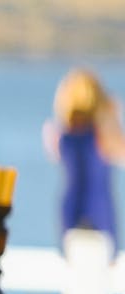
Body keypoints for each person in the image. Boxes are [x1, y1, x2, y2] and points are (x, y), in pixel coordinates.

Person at [46, 68, 125, 253]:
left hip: (70, 215)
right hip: (99, 217)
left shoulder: (61, 136)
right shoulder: (103, 136)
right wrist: (112, 115)